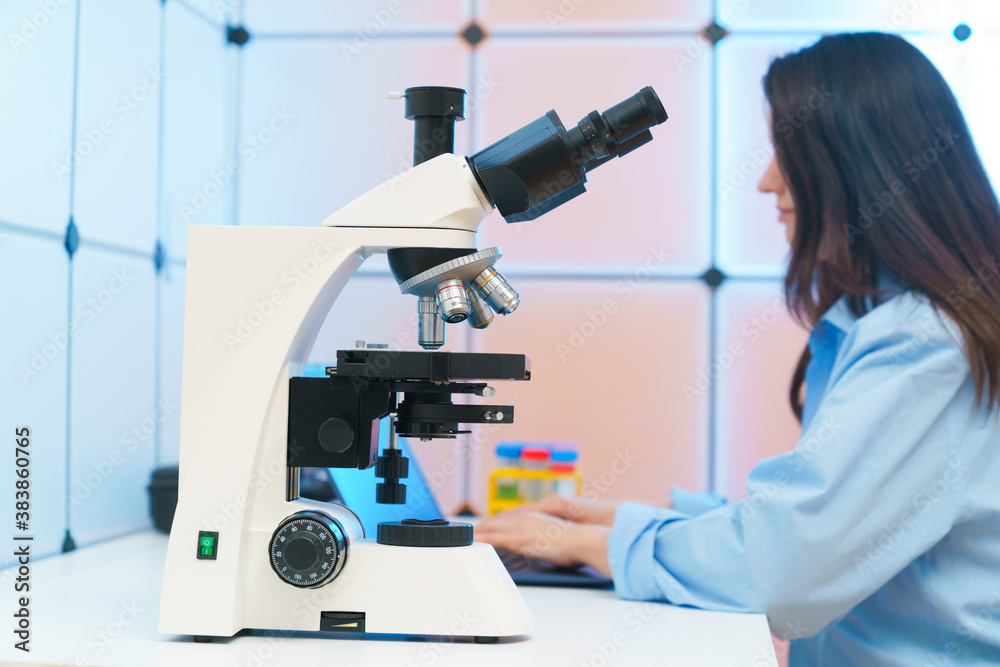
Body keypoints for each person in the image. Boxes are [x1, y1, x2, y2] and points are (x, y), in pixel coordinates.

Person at [476, 32, 1000, 665]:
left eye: (787, 155)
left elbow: (781, 568)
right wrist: (619, 521)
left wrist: (585, 542)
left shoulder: (923, 342)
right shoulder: (892, 323)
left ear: (857, 169)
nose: (767, 182)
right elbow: (816, 524)